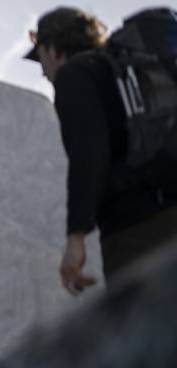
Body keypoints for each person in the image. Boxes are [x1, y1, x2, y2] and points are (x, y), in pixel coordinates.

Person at [26, 6, 177, 294]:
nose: (43, 72)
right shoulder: (121, 71)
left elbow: (88, 153)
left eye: (40, 58)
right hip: (169, 199)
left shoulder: (75, 75)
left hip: (139, 229)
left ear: (54, 49)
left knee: (147, 329)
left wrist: (76, 235)